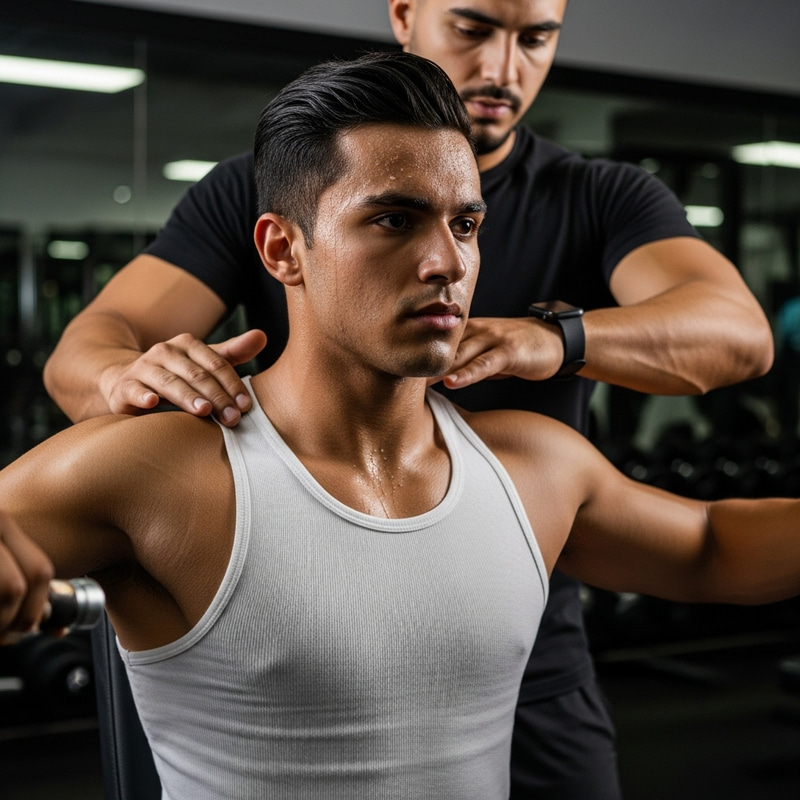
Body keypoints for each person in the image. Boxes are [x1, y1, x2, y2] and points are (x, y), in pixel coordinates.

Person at [4, 51, 798, 799]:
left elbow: (710, 546)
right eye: (393, 220)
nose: (448, 263)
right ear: (283, 249)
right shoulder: (160, 469)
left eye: (465, 225)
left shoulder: (535, 465)